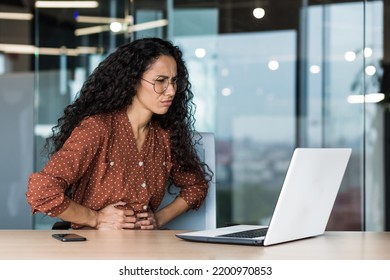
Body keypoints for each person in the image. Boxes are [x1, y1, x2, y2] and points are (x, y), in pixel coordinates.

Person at [26, 37, 212, 230]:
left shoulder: (165, 135)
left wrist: (160, 218)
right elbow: (41, 191)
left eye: (174, 81)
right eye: (160, 81)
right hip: (93, 250)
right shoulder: (97, 128)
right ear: (132, 81)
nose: (171, 90)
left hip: (146, 249)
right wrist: (95, 218)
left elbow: (196, 187)